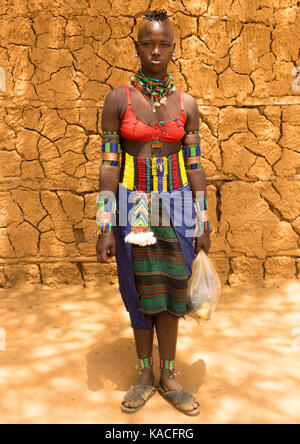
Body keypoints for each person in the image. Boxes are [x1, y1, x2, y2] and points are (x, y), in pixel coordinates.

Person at [96, 9, 211, 416]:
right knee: (138, 290)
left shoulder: (188, 104)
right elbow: (109, 164)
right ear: (137, 47)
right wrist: (105, 224)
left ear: (174, 50)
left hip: (177, 202)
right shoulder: (118, 99)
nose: (156, 50)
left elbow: (195, 165)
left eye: (164, 44)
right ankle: (144, 374)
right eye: (148, 43)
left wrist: (203, 220)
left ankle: (169, 374)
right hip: (136, 205)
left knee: (172, 290)